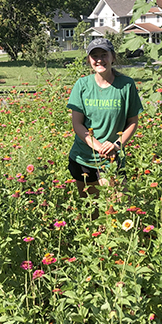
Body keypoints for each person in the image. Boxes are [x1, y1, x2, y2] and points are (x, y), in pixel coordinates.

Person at [67, 38, 143, 209]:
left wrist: (116, 145)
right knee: (90, 210)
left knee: (117, 209)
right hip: (83, 158)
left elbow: (132, 122)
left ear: (113, 57)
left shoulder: (126, 85)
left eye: (104, 55)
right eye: (94, 56)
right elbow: (77, 124)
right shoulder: (82, 85)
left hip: (112, 158)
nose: (99, 59)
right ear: (89, 60)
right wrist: (97, 146)